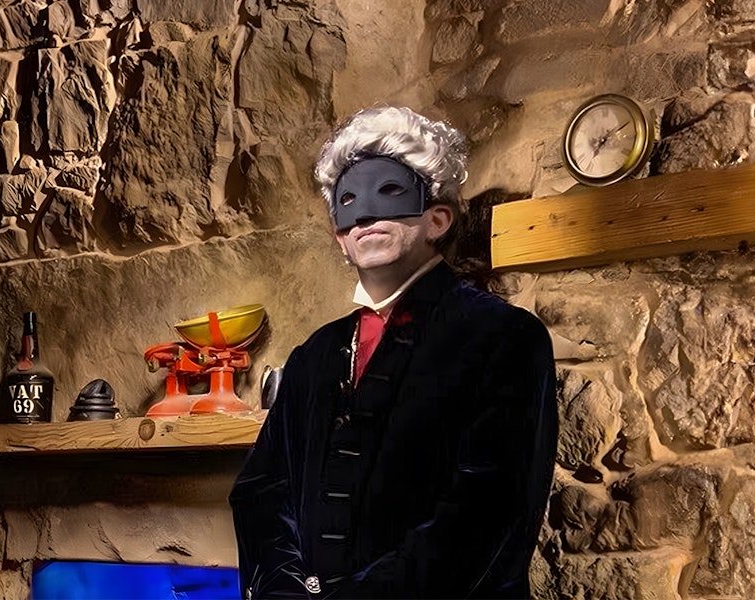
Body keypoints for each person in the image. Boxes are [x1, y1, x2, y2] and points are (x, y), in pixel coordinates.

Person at [229, 106, 557, 599]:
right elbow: (261, 488)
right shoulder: (313, 356)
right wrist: (283, 589)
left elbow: (488, 511)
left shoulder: (505, 337)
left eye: (388, 192)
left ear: (436, 219)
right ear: (340, 238)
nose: (364, 214)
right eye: (347, 201)